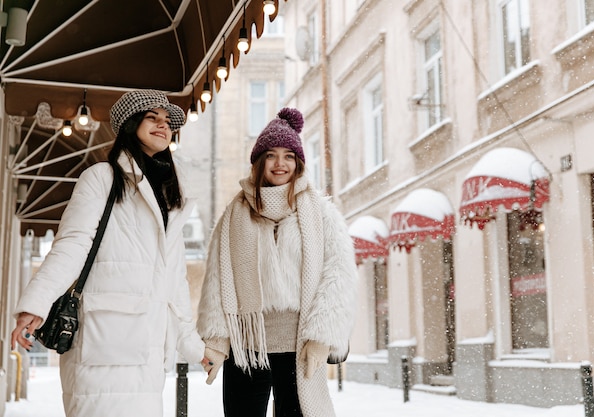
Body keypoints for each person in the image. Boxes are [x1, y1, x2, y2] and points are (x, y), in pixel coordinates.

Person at [10, 89, 210, 417]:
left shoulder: (171, 195)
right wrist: (36, 303)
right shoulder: (101, 178)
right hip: (102, 342)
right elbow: (72, 245)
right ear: (131, 124)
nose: (163, 125)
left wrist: (192, 344)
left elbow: (173, 279)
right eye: (152, 118)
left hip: (148, 353)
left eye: (167, 121)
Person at [197, 107, 358, 417]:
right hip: (247, 348)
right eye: (271, 155)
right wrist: (216, 343)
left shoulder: (320, 212)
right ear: (259, 162)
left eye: (288, 155)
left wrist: (322, 337)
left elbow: (339, 276)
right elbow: (218, 280)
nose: (280, 163)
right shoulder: (234, 214)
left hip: (299, 346)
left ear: (298, 163)